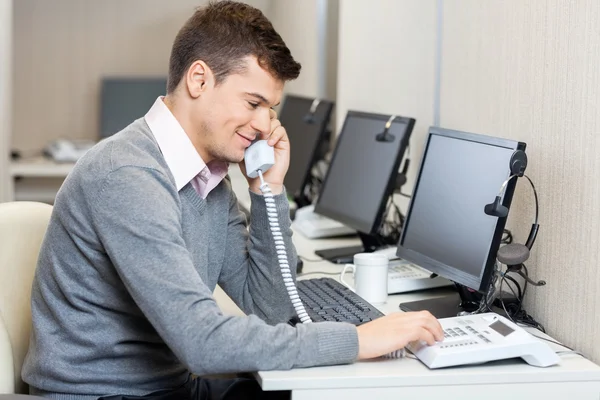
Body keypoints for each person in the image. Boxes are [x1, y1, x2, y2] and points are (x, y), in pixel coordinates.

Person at [22, 1, 443, 399]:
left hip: (166, 387)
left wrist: (267, 192)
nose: (265, 126)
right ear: (199, 79)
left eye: (271, 109)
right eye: (253, 103)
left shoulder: (208, 181)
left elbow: (269, 309)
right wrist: (357, 339)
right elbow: (202, 343)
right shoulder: (127, 175)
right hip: (106, 393)